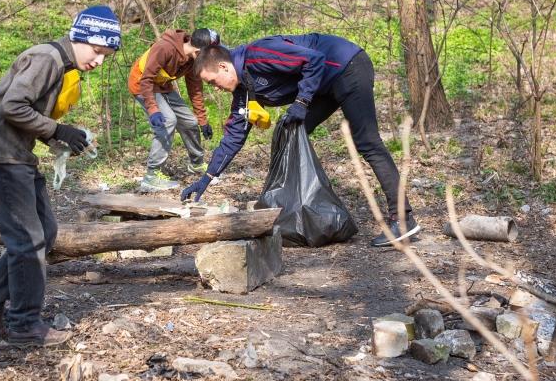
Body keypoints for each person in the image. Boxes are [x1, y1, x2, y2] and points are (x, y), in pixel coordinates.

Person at [0, 6, 121, 346]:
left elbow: (27, 113)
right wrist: (58, 128)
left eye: (105, 55)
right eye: (97, 51)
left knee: (44, 232)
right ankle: (23, 324)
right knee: (27, 240)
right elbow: (13, 106)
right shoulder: (47, 58)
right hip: (1, 156)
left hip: (17, 155)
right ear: (79, 38)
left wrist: (58, 138)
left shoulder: (59, 64)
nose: (99, 61)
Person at [182, 33, 420, 247]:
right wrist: (208, 177)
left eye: (213, 82)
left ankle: (403, 219)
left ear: (223, 67)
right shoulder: (244, 90)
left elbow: (314, 59)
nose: (216, 89)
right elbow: (233, 137)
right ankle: (300, 212)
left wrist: (302, 102)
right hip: (324, 85)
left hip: (346, 66)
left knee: (367, 143)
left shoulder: (258, 55)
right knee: (290, 130)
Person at [127, 28, 220, 192]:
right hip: (142, 84)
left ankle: (196, 164)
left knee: (190, 121)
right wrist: (153, 108)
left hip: (162, 86)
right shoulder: (165, 48)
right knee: (168, 120)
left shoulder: (193, 60)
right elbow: (146, 79)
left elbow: (195, 89)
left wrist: (202, 120)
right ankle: (151, 176)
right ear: (199, 51)